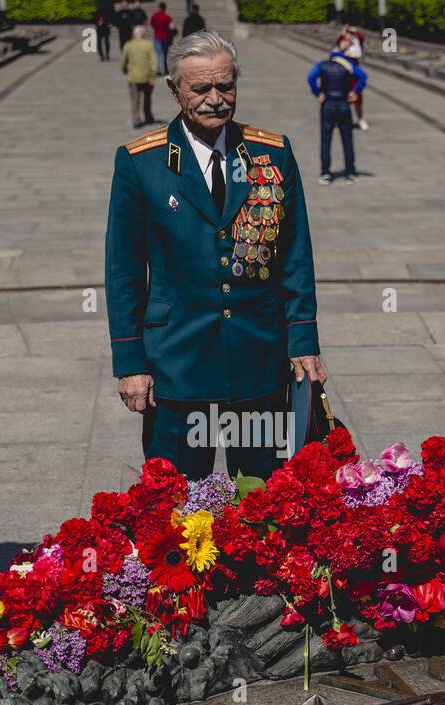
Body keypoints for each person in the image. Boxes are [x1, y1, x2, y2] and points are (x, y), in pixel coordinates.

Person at [105, 30, 327, 481]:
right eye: (200, 88)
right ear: (174, 90)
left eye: (225, 86)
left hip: (258, 358)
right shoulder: (140, 162)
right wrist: (130, 364)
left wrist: (303, 340)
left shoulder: (273, 153)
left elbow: (295, 255)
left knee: (264, 502)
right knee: (180, 509)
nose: (215, 99)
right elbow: (124, 270)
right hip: (178, 363)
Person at [308, 36, 366, 184]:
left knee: (326, 140)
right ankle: (350, 172)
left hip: (327, 104)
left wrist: (317, 92)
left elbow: (310, 78)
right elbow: (363, 77)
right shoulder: (348, 65)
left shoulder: (322, 65)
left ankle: (325, 173)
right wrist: (355, 91)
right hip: (343, 104)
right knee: (347, 140)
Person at [122, 25, 158, 128]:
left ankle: (136, 119)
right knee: (147, 98)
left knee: (135, 100)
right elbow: (153, 61)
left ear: (134, 34)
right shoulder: (148, 45)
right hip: (147, 77)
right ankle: (148, 116)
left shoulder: (129, 45)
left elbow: (123, 61)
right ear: (143, 34)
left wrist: (125, 70)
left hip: (133, 77)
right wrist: (153, 75)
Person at [339, 24, 369, 130]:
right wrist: (343, 35)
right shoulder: (342, 42)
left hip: (355, 72)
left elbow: (361, 38)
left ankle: (360, 119)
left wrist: (355, 31)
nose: (350, 35)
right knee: (343, 98)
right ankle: (341, 120)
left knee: (358, 98)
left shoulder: (357, 41)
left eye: (352, 34)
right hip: (344, 73)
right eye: (348, 34)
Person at [149, 2, 174, 76]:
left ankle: (159, 70)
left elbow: (152, 23)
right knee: (165, 54)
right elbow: (171, 27)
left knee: (158, 55)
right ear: (165, 8)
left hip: (157, 36)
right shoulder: (168, 17)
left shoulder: (155, 16)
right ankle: (166, 70)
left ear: (159, 7)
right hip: (165, 37)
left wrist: (156, 29)